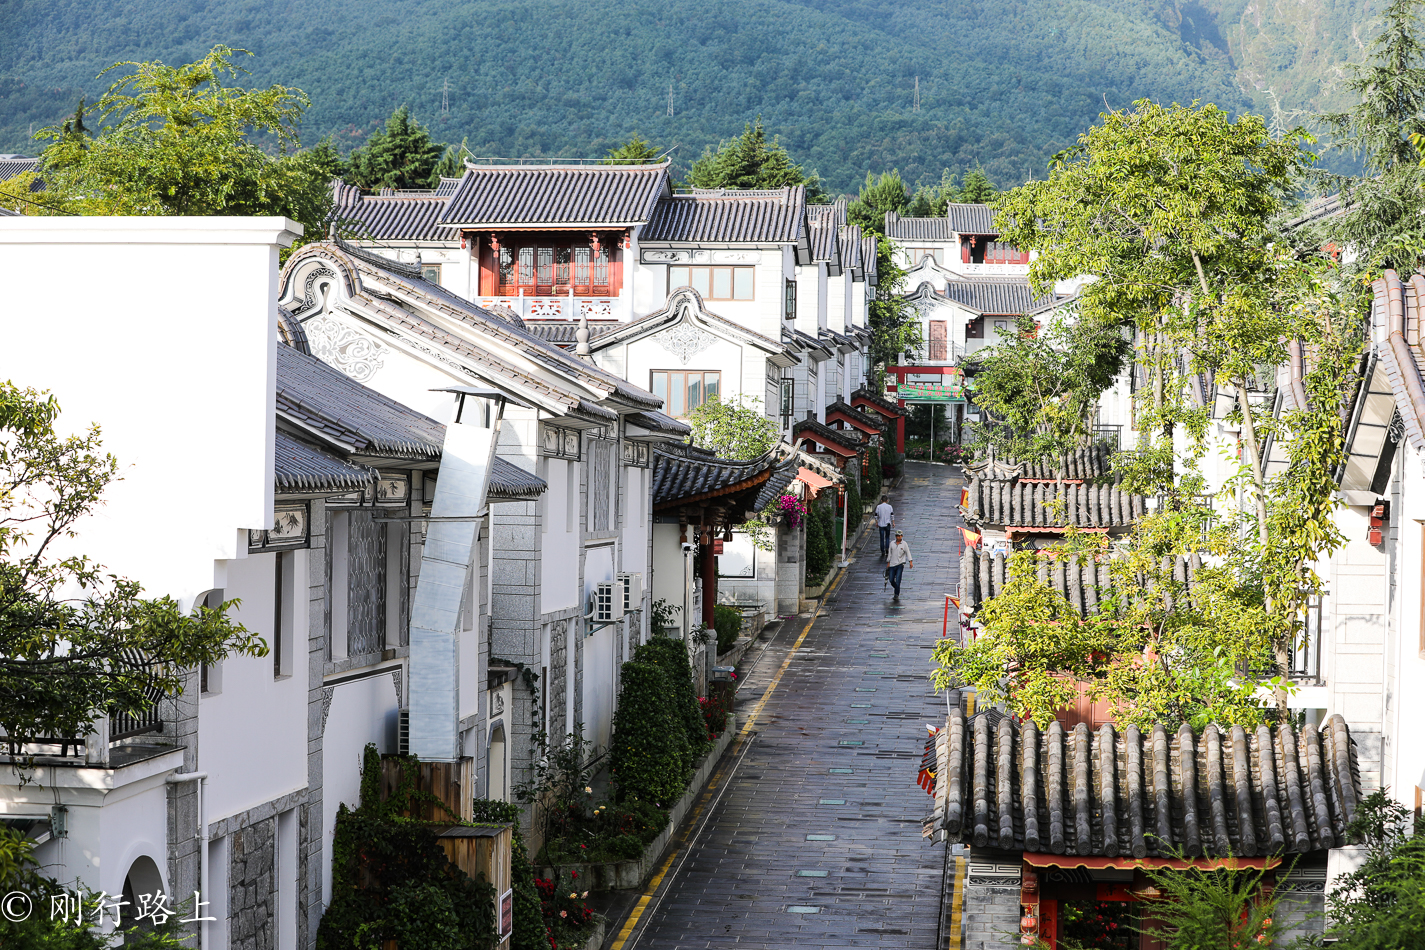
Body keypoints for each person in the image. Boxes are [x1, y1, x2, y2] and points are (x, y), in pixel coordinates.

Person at [886, 529, 913, 599]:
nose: (898, 537)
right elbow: (889, 554)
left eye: (899, 536)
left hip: (900, 564)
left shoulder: (904, 544)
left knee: (898, 579)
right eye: (897, 536)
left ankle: (896, 594)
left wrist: (910, 561)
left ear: (902, 536)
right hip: (892, 564)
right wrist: (888, 562)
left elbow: (908, 552)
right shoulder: (892, 543)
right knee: (891, 579)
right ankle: (897, 588)